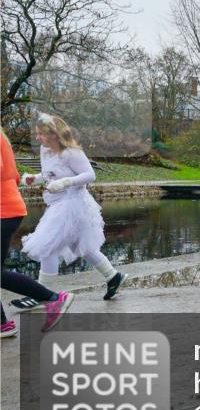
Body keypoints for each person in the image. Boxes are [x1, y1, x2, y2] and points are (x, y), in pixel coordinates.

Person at [13, 114, 126, 306]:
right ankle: (113, 276)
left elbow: (90, 175)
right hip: (58, 204)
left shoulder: (72, 153)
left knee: (47, 246)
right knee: (81, 245)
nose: (37, 138)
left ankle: (41, 294)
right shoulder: (45, 150)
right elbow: (50, 173)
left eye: (41, 134)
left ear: (54, 134)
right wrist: (35, 178)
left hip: (74, 204)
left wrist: (66, 182)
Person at [1, 129, 74, 337]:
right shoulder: (2, 138)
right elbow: (14, 176)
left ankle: (53, 299)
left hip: (3, 211)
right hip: (9, 208)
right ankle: (3, 325)